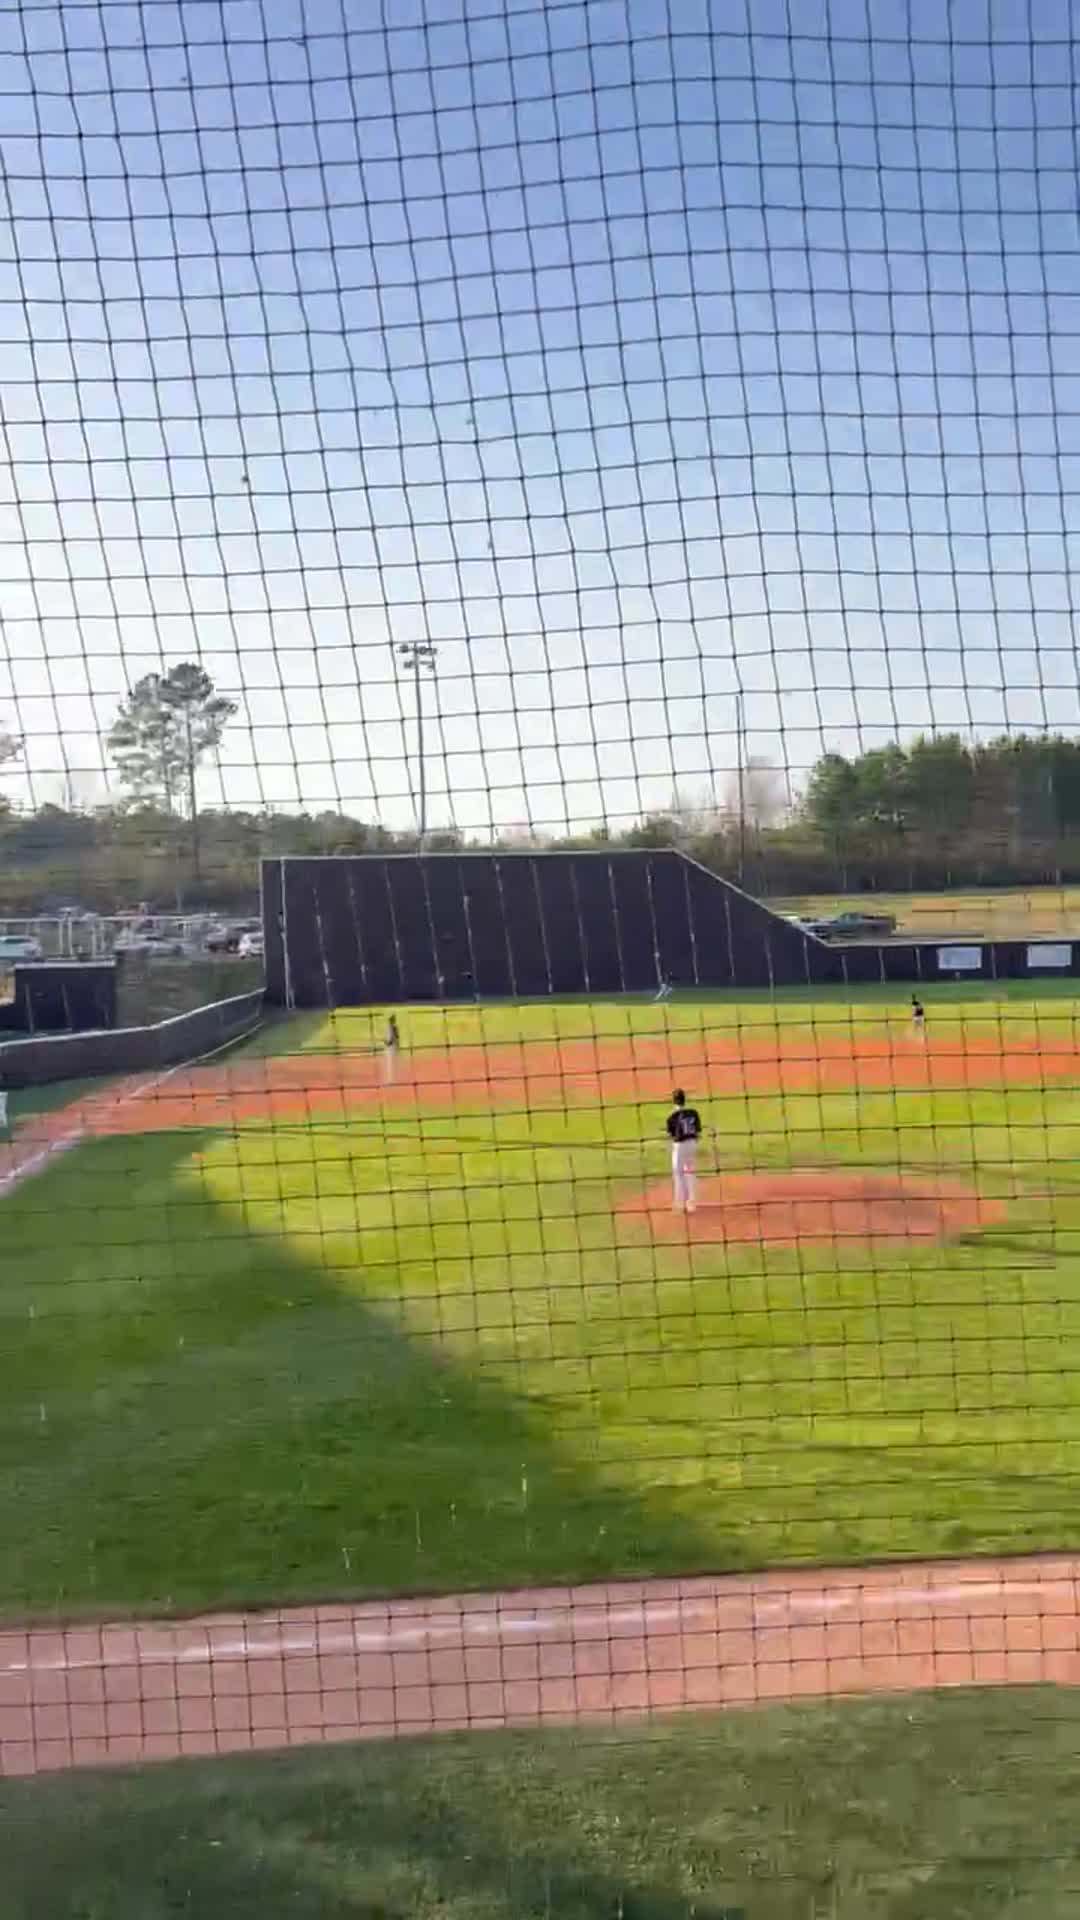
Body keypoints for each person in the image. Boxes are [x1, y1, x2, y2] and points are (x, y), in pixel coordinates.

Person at [666, 1087, 703, 1213]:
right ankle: (691, 1204)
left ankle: (680, 1204)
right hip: (692, 1143)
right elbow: (698, 1133)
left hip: (680, 1146)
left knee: (678, 1174)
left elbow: (671, 1135)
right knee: (690, 1172)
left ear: (673, 1101)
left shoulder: (671, 1116)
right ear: (684, 1100)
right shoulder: (693, 1112)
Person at [384, 1012, 400, 1084]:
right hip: (395, 1048)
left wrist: (386, 1042)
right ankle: (396, 1079)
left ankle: (391, 1080)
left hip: (391, 1049)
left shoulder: (391, 1028)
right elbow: (397, 1037)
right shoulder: (395, 1027)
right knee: (395, 1064)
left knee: (390, 1065)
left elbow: (391, 1039)